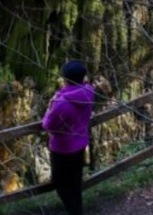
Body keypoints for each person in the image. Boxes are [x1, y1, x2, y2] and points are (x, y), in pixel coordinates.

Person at [42, 60, 95, 215]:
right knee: (75, 183)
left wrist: (49, 108)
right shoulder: (90, 92)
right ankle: (78, 210)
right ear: (83, 77)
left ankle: (75, 212)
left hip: (62, 150)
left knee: (61, 185)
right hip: (80, 144)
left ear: (65, 79)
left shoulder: (61, 102)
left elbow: (48, 125)